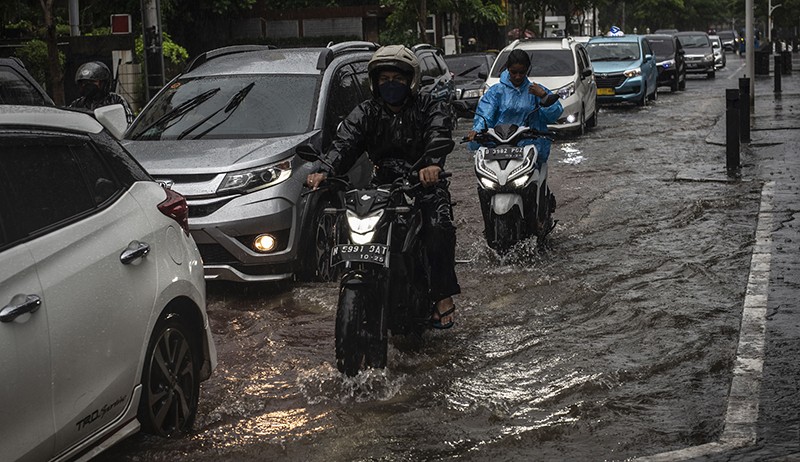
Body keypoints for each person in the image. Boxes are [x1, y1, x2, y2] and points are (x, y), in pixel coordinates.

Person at [306, 45, 460, 329]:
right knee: (355, 223)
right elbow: (344, 143)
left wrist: (432, 164)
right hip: (382, 184)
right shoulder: (366, 111)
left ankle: (442, 295)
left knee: (438, 227)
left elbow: (439, 131)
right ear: (374, 82)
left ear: (410, 80)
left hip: (422, 183)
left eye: (397, 79)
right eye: (384, 78)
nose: (391, 84)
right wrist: (324, 171)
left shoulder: (429, 106)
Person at [465, 49, 563, 234]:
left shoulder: (535, 90)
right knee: (485, 187)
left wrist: (543, 96)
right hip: (499, 148)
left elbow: (555, 112)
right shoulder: (496, 92)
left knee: (531, 184)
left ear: (527, 70)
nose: (518, 76)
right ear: (507, 70)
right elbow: (484, 114)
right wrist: (477, 131)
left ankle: (538, 220)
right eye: (514, 72)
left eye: (522, 72)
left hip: (529, 149)